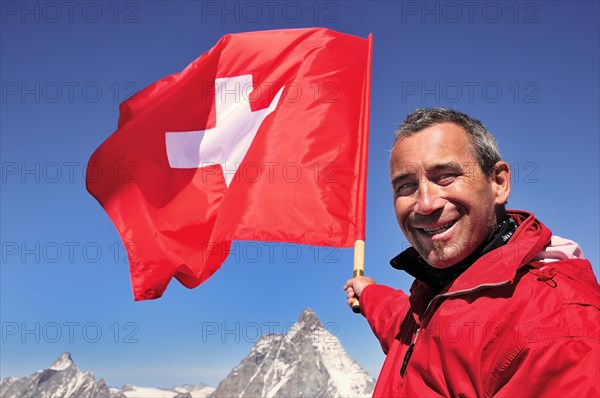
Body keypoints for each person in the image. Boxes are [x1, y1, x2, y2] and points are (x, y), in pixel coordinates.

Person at [344, 108, 599, 397]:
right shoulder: (436, 292)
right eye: (406, 186)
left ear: (499, 183)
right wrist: (366, 293)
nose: (425, 204)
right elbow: (403, 323)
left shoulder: (555, 330)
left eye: (445, 176)